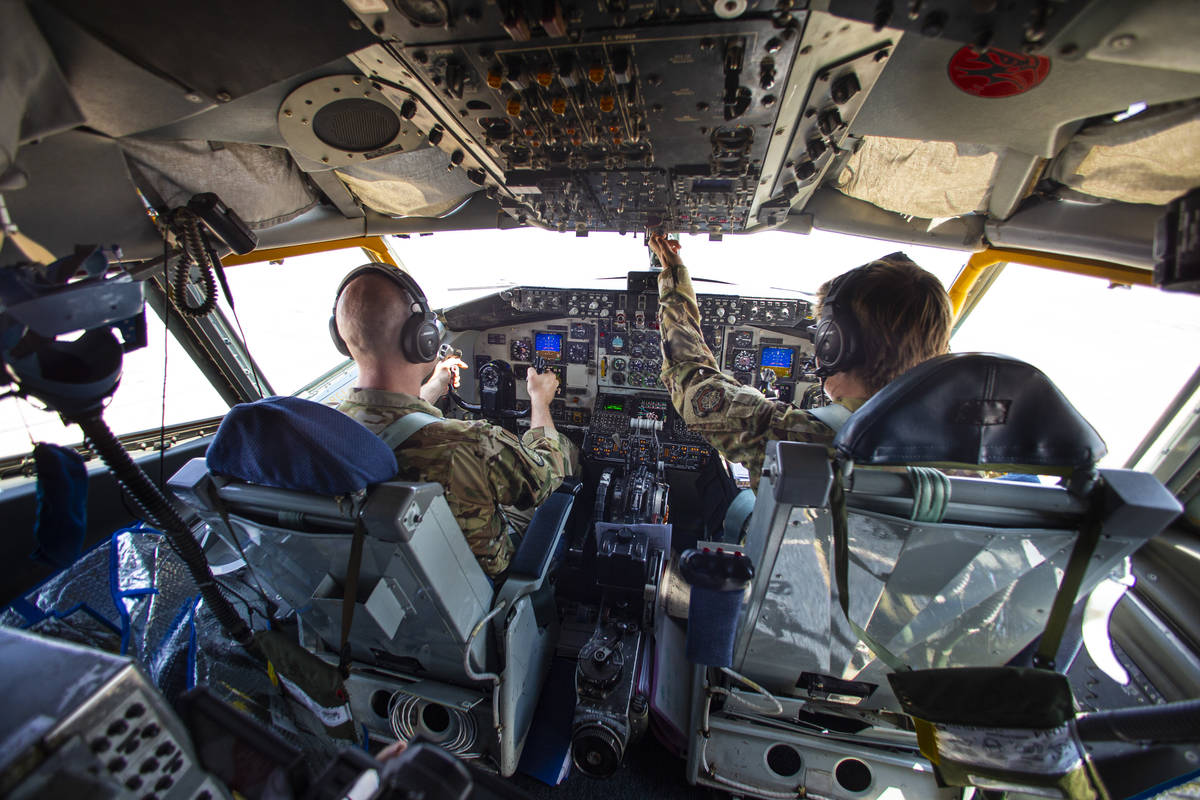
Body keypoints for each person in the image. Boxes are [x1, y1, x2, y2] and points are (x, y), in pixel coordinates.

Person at [647, 233, 952, 487]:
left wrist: (673, 275)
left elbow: (692, 381)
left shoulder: (797, 438)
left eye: (821, 335)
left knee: (722, 488)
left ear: (835, 346)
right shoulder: (966, 454)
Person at [332, 264, 577, 577]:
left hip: (389, 576)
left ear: (343, 339)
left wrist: (436, 384)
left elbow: (389, 420)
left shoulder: (327, 429)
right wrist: (540, 402)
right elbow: (545, 479)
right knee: (565, 452)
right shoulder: (468, 444)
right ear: (423, 339)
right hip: (486, 583)